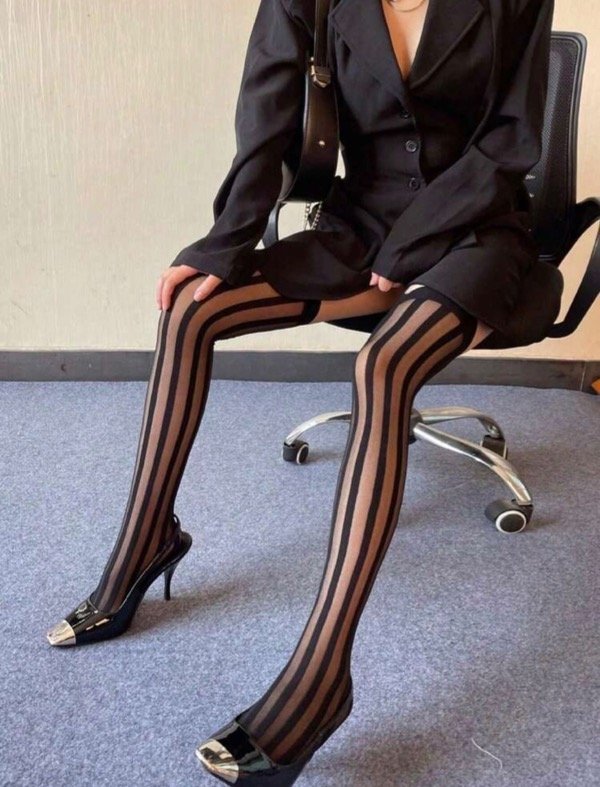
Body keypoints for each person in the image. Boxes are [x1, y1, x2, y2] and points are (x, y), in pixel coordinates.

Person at [46, 0, 559, 784]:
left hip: (475, 228)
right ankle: (145, 543)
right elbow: (270, 119)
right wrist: (222, 244)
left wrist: (418, 239)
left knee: (382, 366)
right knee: (191, 309)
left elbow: (511, 140)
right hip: (363, 223)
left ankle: (321, 682)